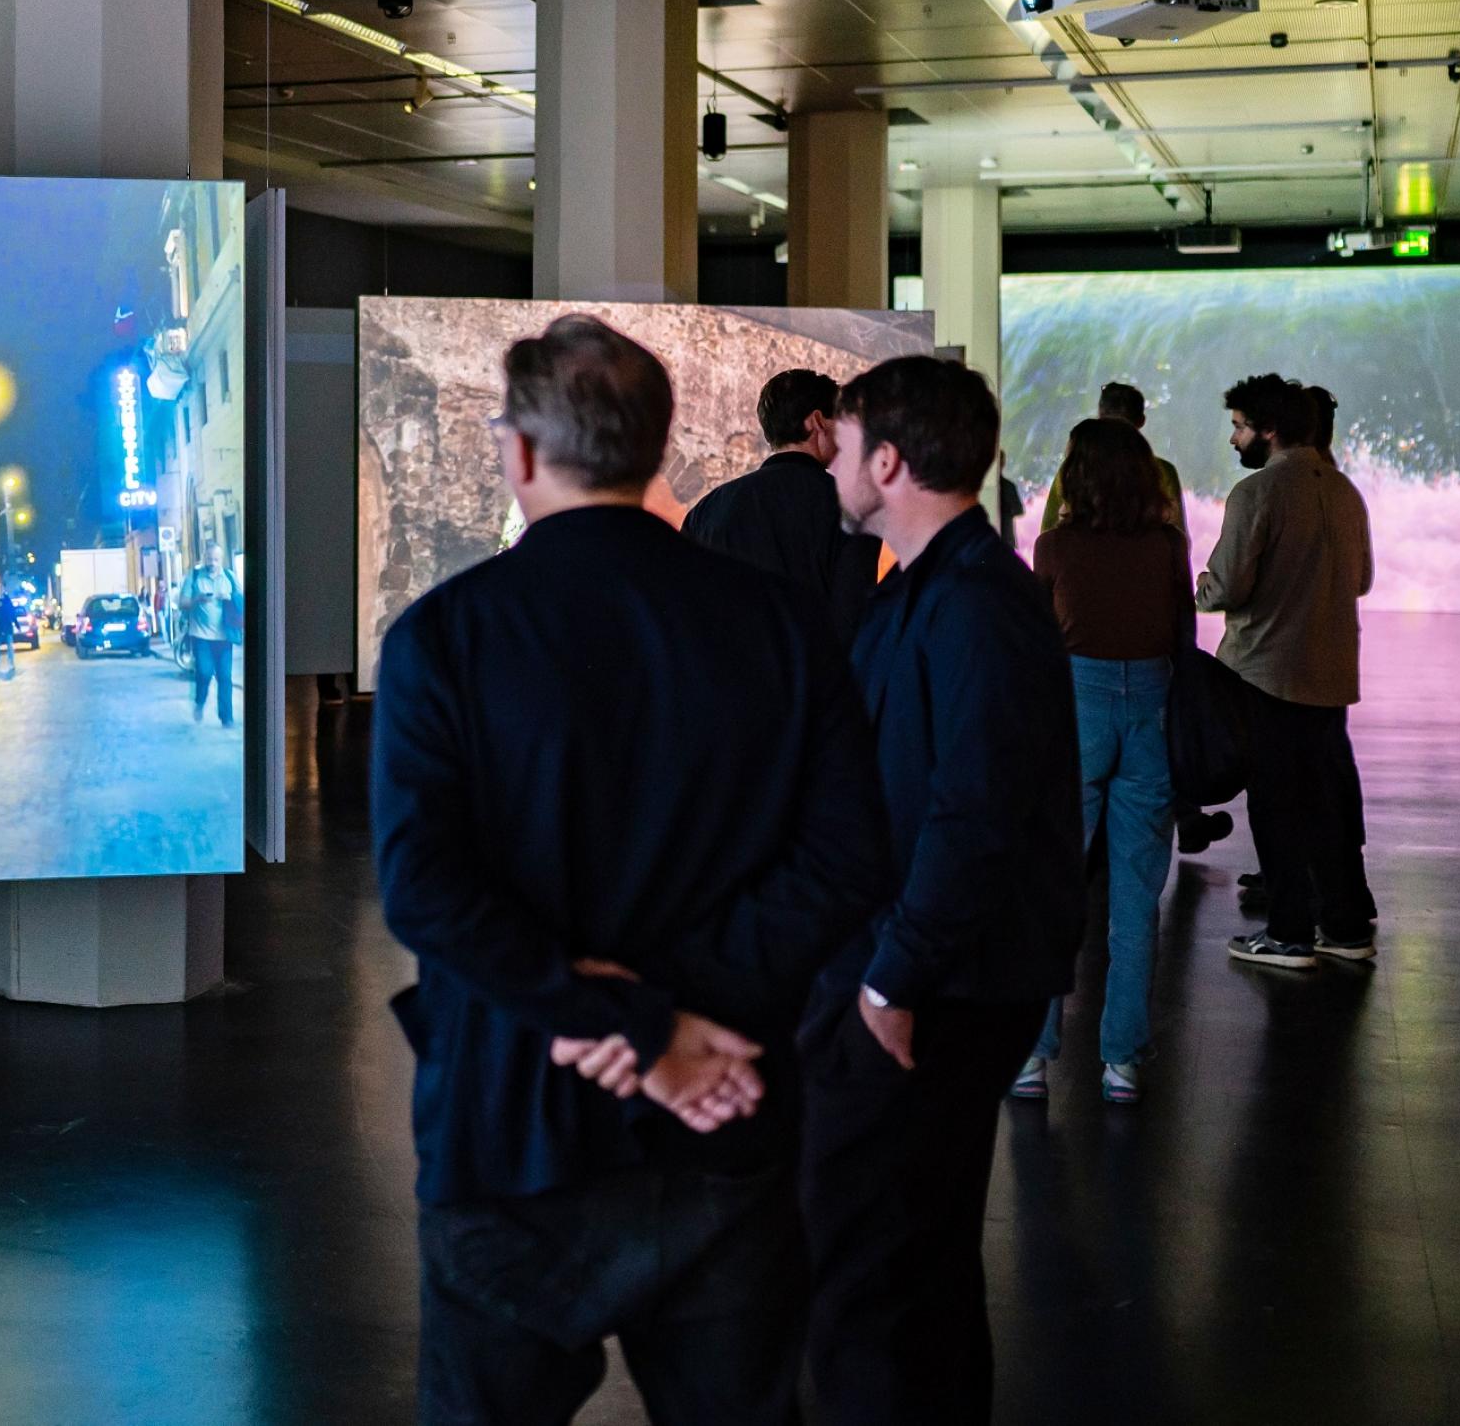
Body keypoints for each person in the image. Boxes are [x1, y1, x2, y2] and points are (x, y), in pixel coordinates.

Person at [375, 315, 890, 1426]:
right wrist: (670, 1027)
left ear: (515, 451)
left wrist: (616, 1017)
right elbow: (848, 861)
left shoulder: (442, 636)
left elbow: (425, 889)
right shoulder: (778, 625)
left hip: (506, 1120)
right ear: (656, 445)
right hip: (724, 1108)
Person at [803, 353, 1084, 1426]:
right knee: (908, 1261)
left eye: (843, 438)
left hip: (936, 986)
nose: (826, 456)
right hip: (926, 971)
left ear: (889, 459)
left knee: (875, 1268)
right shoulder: (935, 590)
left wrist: (889, 983)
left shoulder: (973, 605)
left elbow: (971, 815)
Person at [1010, 420, 1195, 1107]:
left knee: (1053, 886)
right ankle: (1122, 1061)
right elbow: (1184, 632)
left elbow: (1036, 639)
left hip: (1076, 713)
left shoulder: (1055, 546)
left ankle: (1031, 1056)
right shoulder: (1165, 547)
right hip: (1150, 706)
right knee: (1137, 897)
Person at [1203, 375, 1378, 969]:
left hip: (1266, 674)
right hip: (1331, 674)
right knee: (1326, 802)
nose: (1233, 439)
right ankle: (1348, 927)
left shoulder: (1258, 493)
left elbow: (1227, 585)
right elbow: (1362, 581)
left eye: (1239, 426)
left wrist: (1196, 588)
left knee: (1276, 805)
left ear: (1268, 430)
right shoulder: (1345, 490)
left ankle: (1289, 932)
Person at [680, 367, 881, 648]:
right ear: (817, 421)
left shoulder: (707, 511)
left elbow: (690, 614)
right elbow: (854, 625)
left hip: (728, 682)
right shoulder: (854, 507)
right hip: (813, 684)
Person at [1041, 382, 1185, 531]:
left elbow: (1048, 528)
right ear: (1141, 421)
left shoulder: (1075, 468)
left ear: (1099, 417)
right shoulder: (1163, 471)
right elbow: (1178, 531)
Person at [184, 548, 240, 727]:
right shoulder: (194, 577)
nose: (212, 563)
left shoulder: (229, 577)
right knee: (204, 672)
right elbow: (182, 603)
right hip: (201, 636)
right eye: (209, 558)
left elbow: (242, 601)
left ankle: (227, 718)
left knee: (225, 677)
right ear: (204, 558)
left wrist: (229, 597)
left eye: (215, 559)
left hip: (224, 637)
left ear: (220, 559)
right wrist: (196, 600)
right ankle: (199, 702)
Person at [0, 580, 20, 681]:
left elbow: (12, 612)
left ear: (4, 589)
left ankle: (11, 663)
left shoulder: (7, 599)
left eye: (2, 588)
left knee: (9, 646)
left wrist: (17, 624)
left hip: (7, 626)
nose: (0, 590)